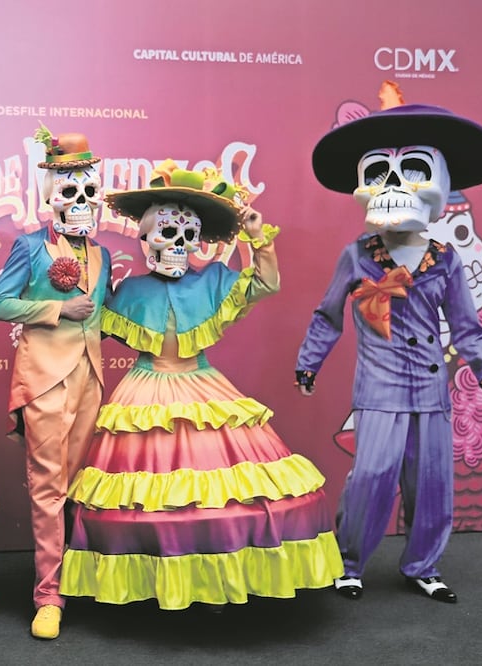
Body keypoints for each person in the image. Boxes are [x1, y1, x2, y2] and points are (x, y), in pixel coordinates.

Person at [61, 161, 342, 610]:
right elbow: (82, 328)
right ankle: (154, 580)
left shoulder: (212, 281)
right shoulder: (129, 292)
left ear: (198, 243)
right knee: (142, 496)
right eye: (167, 233)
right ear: (146, 238)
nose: (178, 245)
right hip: (145, 389)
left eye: (188, 236)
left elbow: (266, 283)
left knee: (225, 491)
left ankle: (220, 575)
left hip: (202, 384)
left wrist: (256, 237)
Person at [297, 103, 482, 602]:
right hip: (380, 388)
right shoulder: (358, 255)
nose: (394, 187)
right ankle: (349, 563)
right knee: (371, 476)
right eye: (380, 174)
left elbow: (467, 327)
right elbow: (328, 314)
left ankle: (423, 564)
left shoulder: (447, 260)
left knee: (432, 483)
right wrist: (309, 360)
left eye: (412, 171)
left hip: (431, 391)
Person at [0, 127, 112, 639]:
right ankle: (48, 595)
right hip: (44, 380)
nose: (80, 200)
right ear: (50, 195)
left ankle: (82, 582)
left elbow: (103, 316)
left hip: (90, 379)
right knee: (48, 489)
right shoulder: (30, 247)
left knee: (83, 487)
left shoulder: (102, 255)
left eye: (87, 190)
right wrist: (57, 307)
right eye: (70, 190)